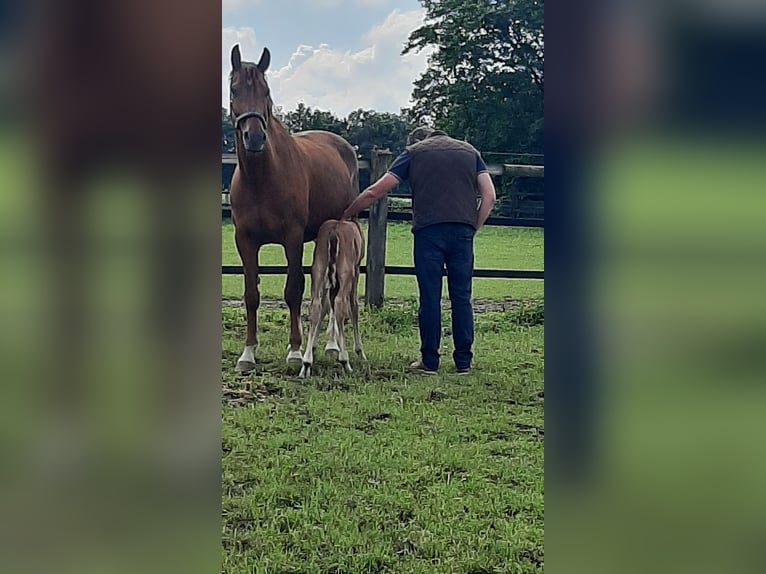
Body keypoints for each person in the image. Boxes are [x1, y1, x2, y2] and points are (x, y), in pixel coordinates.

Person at [342, 127, 496, 375]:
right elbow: (489, 196)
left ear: (418, 140)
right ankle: (464, 362)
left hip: (429, 232)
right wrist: (473, 227)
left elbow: (377, 190)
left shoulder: (415, 153)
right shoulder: (470, 152)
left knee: (429, 297)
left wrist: (348, 212)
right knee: (461, 296)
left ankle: (429, 361)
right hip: (462, 232)